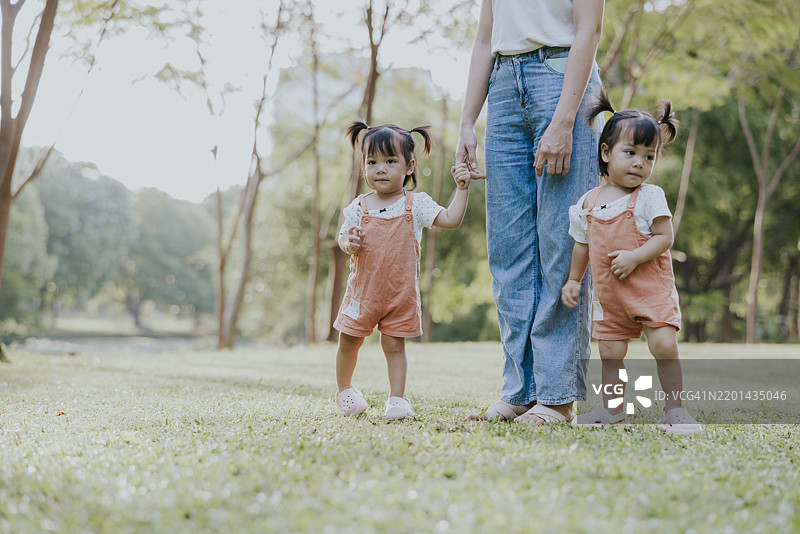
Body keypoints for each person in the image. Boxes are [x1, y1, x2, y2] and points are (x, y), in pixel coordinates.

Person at [457, 0, 605, 424]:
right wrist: (467, 122)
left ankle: (557, 397)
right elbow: (485, 39)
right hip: (503, 86)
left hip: (561, 78)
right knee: (508, 250)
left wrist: (564, 120)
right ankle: (519, 391)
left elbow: (588, 32)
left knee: (562, 244)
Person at [561, 91, 701, 435]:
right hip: (611, 297)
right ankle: (612, 410)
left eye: (649, 156)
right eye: (631, 153)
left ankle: (675, 410)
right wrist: (574, 280)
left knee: (664, 344)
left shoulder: (650, 196)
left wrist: (635, 256)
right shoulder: (587, 202)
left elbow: (664, 238)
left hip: (650, 290)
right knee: (610, 350)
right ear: (606, 153)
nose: (640, 163)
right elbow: (581, 244)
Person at [334, 121, 471, 420]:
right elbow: (343, 236)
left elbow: (450, 219)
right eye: (372, 162)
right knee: (349, 340)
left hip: (399, 294)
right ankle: (345, 391)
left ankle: (396, 399)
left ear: (409, 166)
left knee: (394, 345)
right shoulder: (359, 205)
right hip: (362, 293)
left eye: (390, 161)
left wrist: (462, 189)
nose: (380, 169)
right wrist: (349, 242)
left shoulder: (416, 204)